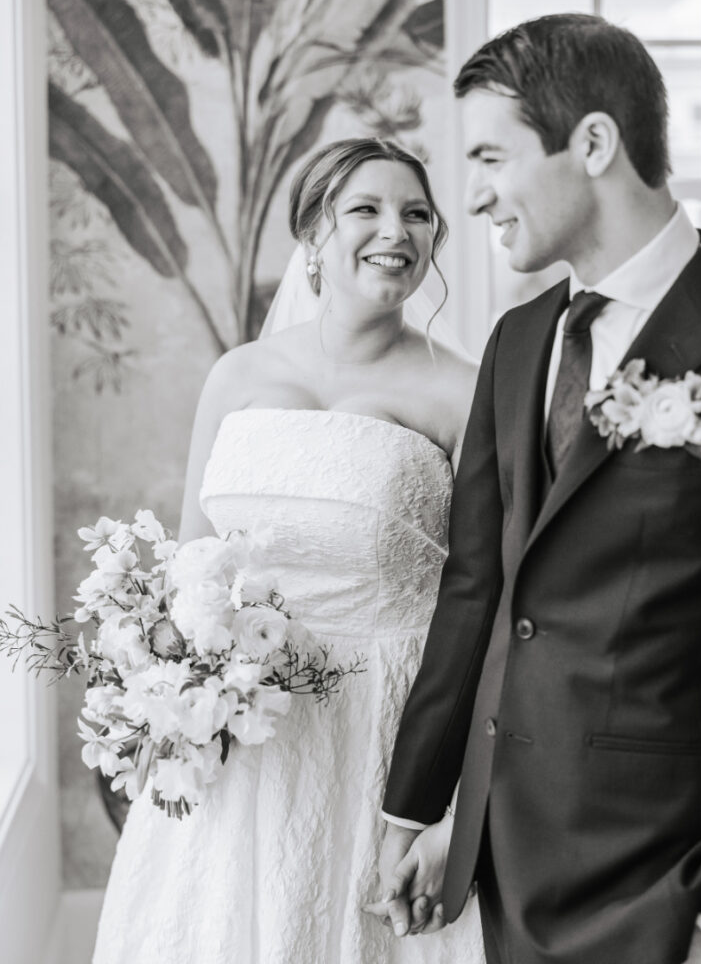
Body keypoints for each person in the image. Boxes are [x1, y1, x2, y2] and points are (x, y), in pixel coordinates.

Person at [91, 137, 485, 963]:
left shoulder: (463, 393)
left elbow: (483, 598)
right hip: (240, 740)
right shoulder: (236, 377)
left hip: (381, 735)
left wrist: (448, 804)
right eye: (367, 209)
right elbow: (192, 566)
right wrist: (164, 697)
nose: (397, 231)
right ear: (313, 233)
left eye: (417, 214)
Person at [373, 14, 701, 964]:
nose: (471, 195)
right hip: (515, 877)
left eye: (491, 156)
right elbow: (481, 589)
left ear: (593, 143)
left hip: (672, 882)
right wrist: (432, 815)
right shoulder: (519, 343)